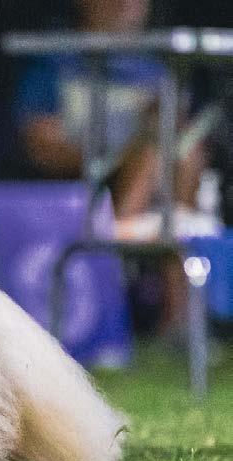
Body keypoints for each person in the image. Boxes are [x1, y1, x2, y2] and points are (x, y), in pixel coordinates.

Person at [14, 0, 215, 336]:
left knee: (180, 151)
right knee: (150, 155)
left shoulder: (155, 71)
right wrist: (115, 158)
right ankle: (112, 266)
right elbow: (42, 145)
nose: (128, 5)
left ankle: (177, 317)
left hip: (155, 189)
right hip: (76, 187)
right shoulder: (52, 61)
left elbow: (180, 142)